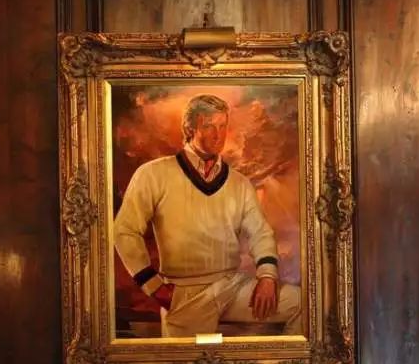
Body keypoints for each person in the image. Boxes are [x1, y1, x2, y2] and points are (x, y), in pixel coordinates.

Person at [114, 93, 302, 338]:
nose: (218, 134)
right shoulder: (153, 174)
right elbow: (125, 231)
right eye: (209, 126)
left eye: (223, 126)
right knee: (189, 362)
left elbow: (260, 233)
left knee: (300, 304)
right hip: (185, 292)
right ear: (189, 129)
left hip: (232, 286)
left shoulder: (238, 182)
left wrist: (267, 276)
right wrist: (154, 287)